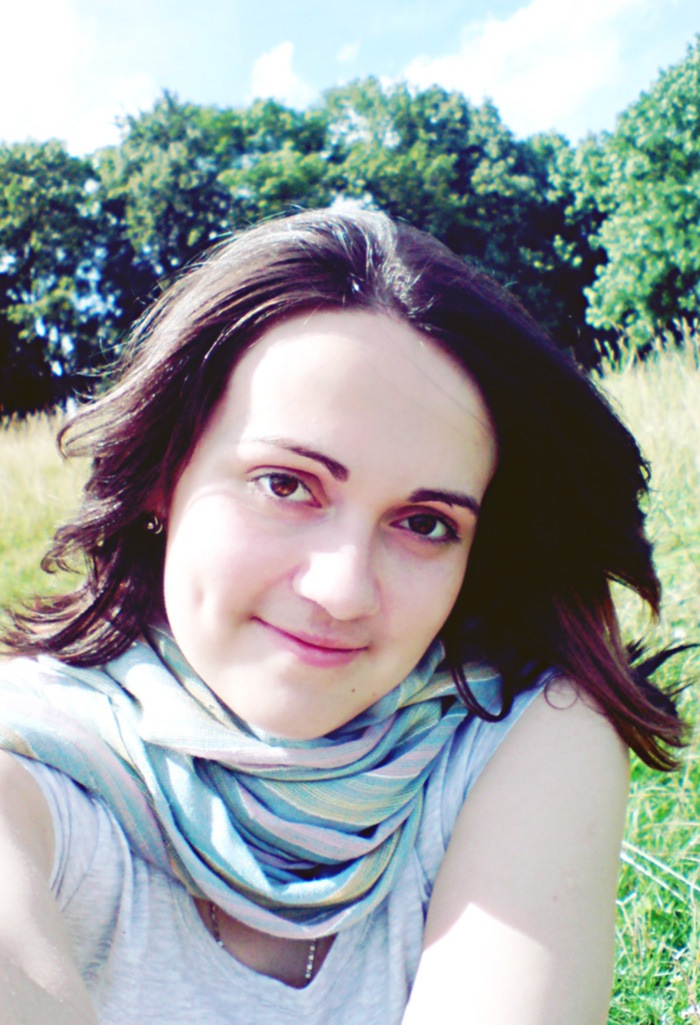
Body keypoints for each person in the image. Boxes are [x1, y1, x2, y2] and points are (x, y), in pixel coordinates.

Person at [0, 207, 684, 1025]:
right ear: (162, 476)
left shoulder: (517, 735)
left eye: (424, 523)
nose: (344, 589)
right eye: (286, 484)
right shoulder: (28, 762)